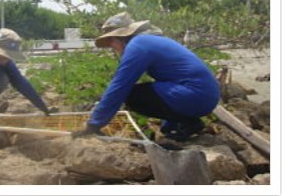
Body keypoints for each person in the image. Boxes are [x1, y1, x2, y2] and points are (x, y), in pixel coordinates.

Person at [72, 12, 220, 141]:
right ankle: (189, 123)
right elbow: (170, 84)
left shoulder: (138, 45)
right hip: (205, 97)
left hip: (196, 96)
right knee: (146, 92)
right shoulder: (149, 41)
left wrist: (94, 124)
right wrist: (168, 126)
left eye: (111, 43)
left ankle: (188, 122)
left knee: (132, 95)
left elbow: (120, 86)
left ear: (118, 38)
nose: (113, 48)